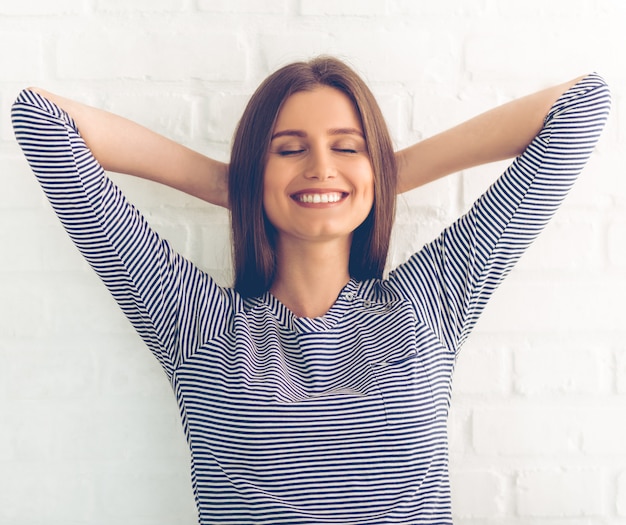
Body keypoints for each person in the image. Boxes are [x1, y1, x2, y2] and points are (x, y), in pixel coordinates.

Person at [12, 57, 610, 524]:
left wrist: (381, 173)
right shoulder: (192, 322)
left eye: (346, 147)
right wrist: (236, 184)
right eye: (290, 150)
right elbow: (41, 119)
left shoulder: (429, 303)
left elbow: (584, 103)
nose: (320, 167)